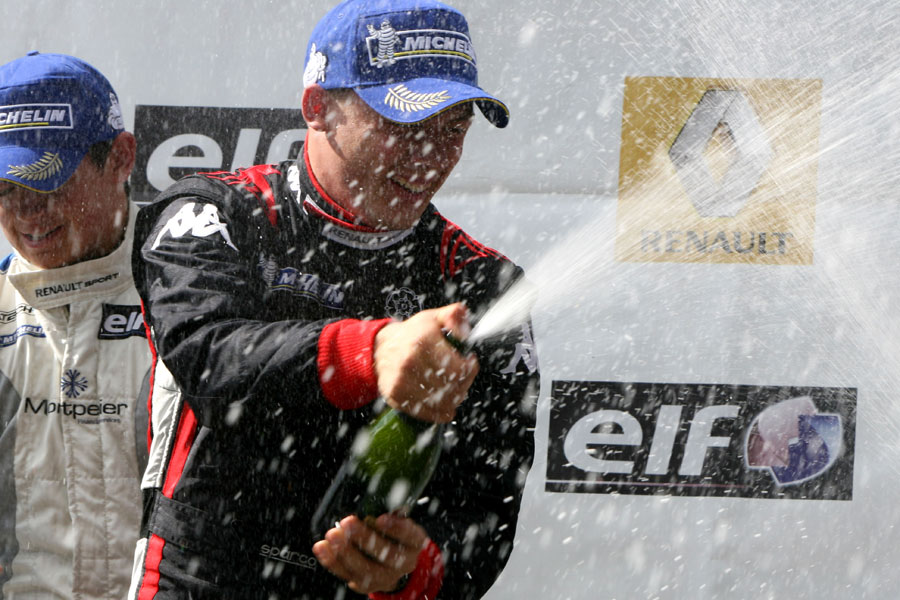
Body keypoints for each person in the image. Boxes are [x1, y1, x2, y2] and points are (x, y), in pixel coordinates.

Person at [128, 0, 539, 598]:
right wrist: (370, 354)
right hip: (199, 580)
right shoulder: (216, 212)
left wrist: (421, 568)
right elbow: (209, 359)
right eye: (404, 126)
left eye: (453, 129)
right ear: (317, 107)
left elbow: (492, 495)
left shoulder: (484, 283)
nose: (430, 156)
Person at [0, 52, 150, 598]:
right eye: (4, 188)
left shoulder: (192, 295)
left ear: (121, 158)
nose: (26, 213)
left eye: (48, 182)